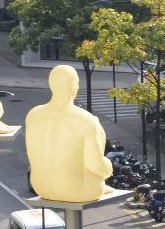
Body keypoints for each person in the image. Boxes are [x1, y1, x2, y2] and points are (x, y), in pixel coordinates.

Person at [25, 65, 114, 203]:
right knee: (101, 169)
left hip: (41, 188)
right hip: (77, 191)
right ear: (73, 85)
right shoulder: (86, 120)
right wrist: (108, 168)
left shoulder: (33, 115)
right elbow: (95, 165)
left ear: (51, 84)